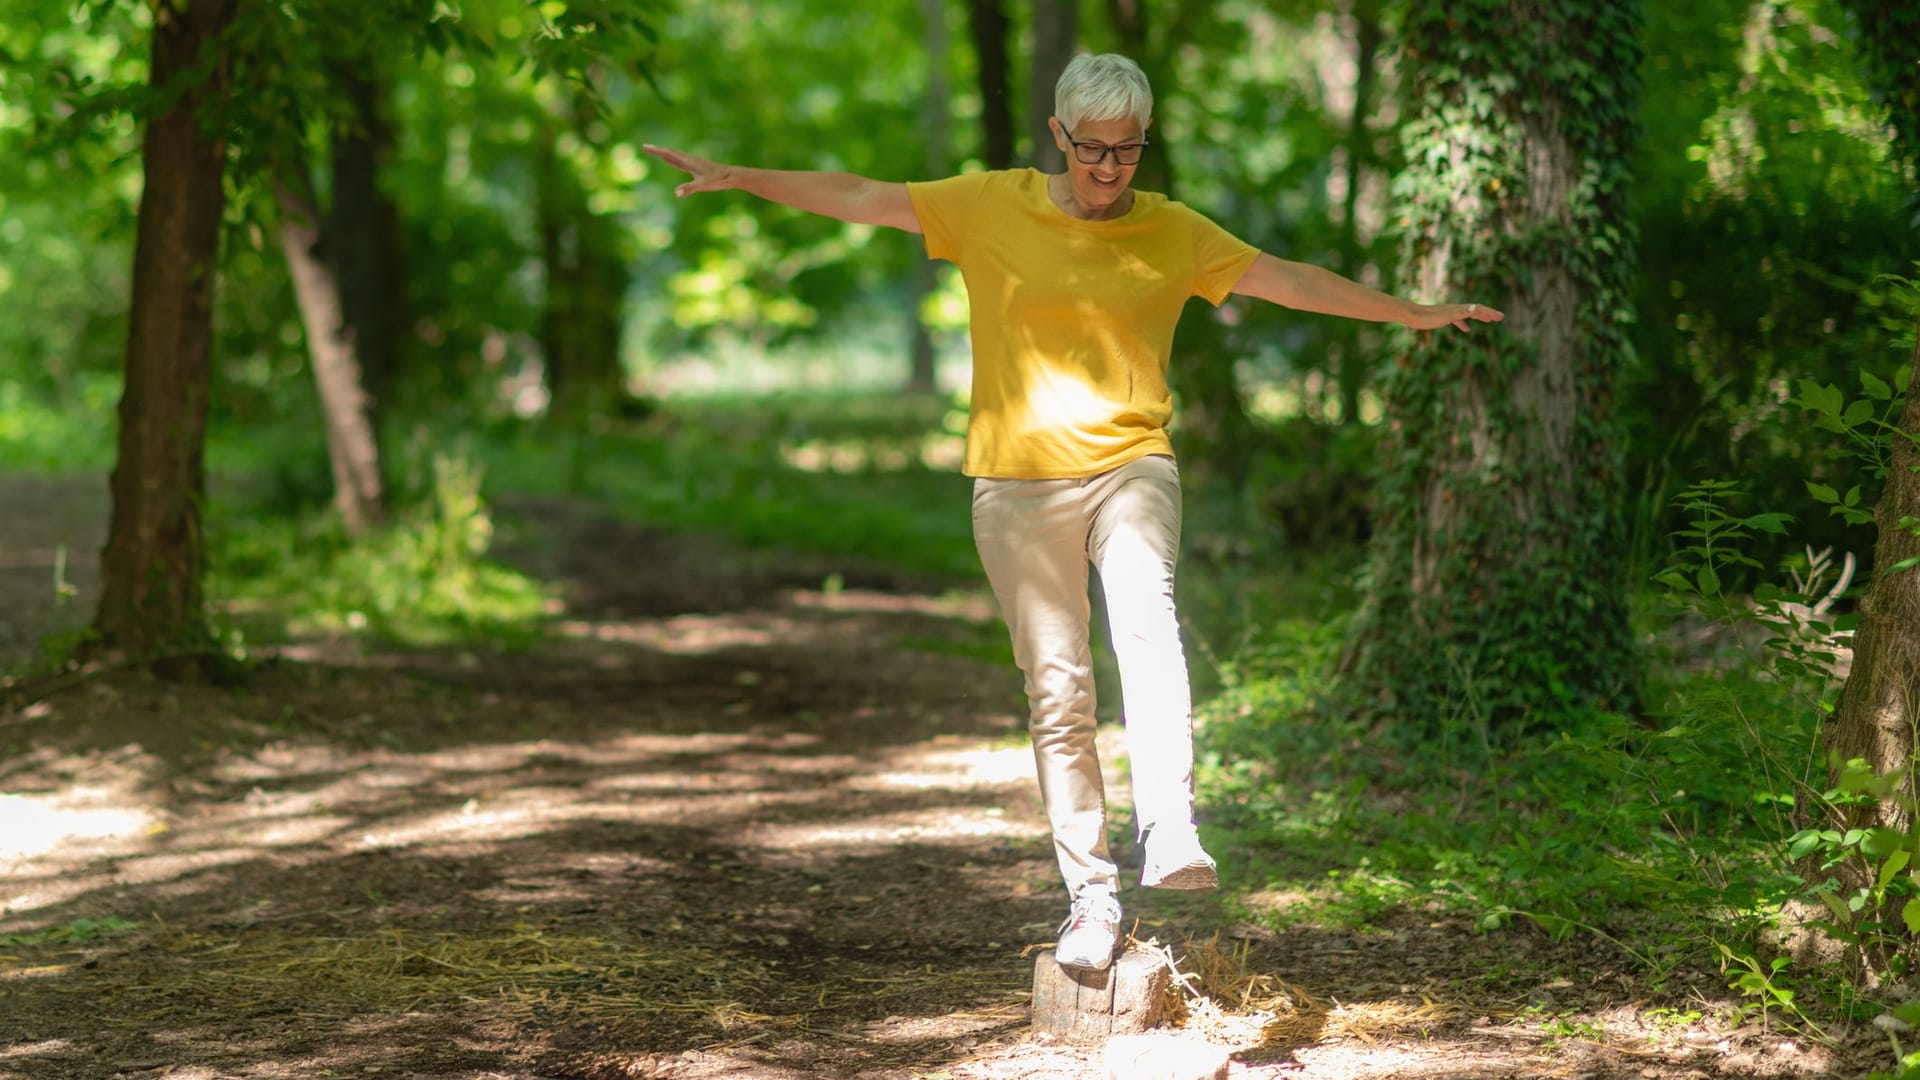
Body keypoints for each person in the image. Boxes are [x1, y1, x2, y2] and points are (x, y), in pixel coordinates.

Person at [645, 52, 1503, 973]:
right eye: (1092, 149)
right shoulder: (990, 204)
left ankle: (1170, 829)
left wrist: (1410, 314)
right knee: (1058, 692)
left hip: (1132, 464)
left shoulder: (1173, 231)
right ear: (1059, 135)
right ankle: (1091, 896)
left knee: (1148, 626)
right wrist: (742, 177)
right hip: (1016, 485)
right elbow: (861, 194)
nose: (1108, 168)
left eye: (1128, 150)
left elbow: (1290, 279)